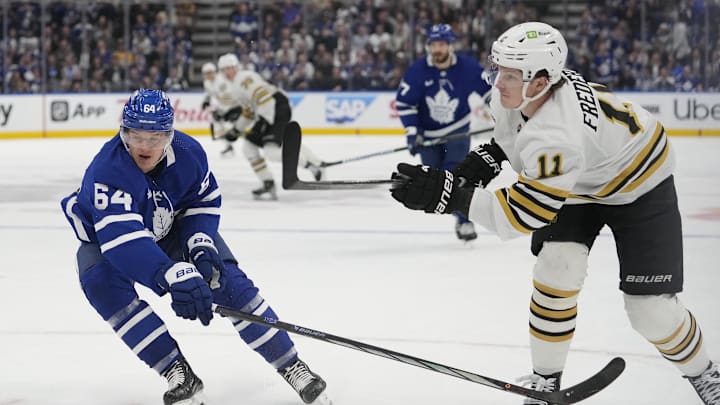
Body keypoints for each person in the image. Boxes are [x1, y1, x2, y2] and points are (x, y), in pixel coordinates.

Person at [390, 22, 719, 405]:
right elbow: (515, 129)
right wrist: (493, 153)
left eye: (510, 75)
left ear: (542, 81)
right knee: (556, 269)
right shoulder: (520, 93)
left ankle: (705, 373)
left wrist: (450, 198)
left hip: (641, 180)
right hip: (583, 178)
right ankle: (546, 379)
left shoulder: (557, 135)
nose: (498, 83)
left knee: (650, 311)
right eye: (497, 70)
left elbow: (521, 215)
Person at [60, 89, 331, 405]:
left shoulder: (189, 152)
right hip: (106, 240)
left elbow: (203, 201)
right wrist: (170, 274)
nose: (145, 146)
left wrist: (200, 245)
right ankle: (176, 370)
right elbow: (124, 241)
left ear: (170, 135)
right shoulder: (107, 170)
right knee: (101, 284)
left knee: (228, 283)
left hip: (171, 227)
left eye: (155, 137)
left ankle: (291, 365)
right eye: (136, 136)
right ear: (124, 133)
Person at [394, 23, 492, 241]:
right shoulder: (417, 71)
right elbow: (405, 104)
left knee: (455, 176)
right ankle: (459, 213)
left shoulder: (467, 67)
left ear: (450, 46)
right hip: (428, 137)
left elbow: (490, 93)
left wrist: (503, 115)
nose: (437, 49)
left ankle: (465, 220)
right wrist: (412, 132)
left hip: (457, 132)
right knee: (435, 181)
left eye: (442, 44)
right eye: (434, 44)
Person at [213, 52, 324, 200]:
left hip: (275, 108)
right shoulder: (235, 87)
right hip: (269, 110)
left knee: (271, 151)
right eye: (223, 69)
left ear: (236, 67)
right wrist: (236, 130)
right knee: (249, 147)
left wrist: (266, 119)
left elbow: (262, 95)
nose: (227, 72)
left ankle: (311, 165)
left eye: (229, 68)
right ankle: (268, 182)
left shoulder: (243, 78)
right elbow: (249, 112)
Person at [200, 62, 235, 157]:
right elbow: (209, 94)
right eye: (206, 73)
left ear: (214, 72)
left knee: (227, 126)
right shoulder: (207, 83)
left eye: (210, 73)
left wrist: (222, 111)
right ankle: (228, 146)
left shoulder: (221, 81)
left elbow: (227, 98)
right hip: (222, 106)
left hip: (232, 105)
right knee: (219, 127)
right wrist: (206, 101)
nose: (208, 75)